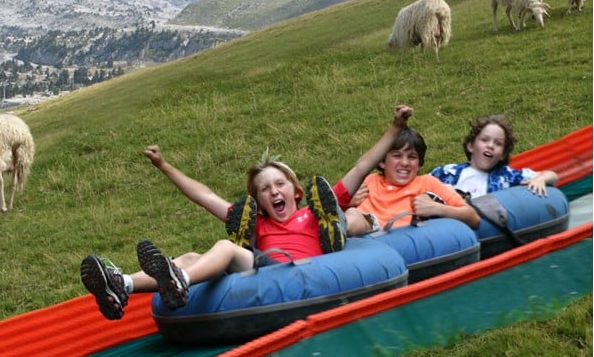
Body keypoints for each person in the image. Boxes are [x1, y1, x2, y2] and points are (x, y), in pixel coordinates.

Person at [80, 105, 413, 320]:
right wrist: (164, 166)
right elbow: (204, 196)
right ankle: (121, 284)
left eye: (279, 184)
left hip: (288, 268)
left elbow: (361, 166)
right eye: (264, 190)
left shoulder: (315, 214)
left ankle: (179, 282)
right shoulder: (257, 224)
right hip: (258, 268)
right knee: (188, 256)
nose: (273, 192)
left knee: (226, 248)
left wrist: (394, 129)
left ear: (296, 191)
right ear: (258, 202)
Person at [333, 119, 481, 236]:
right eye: (397, 156)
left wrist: (438, 208)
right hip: (363, 232)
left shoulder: (426, 184)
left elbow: (473, 218)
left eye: (412, 157)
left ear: (420, 164)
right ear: (382, 162)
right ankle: (337, 231)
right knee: (353, 216)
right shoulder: (369, 181)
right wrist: (348, 203)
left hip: (398, 240)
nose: (405, 163)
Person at [429, 114, 558, 198]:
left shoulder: (506, 176)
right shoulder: (448, 172)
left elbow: (552, 175)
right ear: (471, 146)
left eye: (498, 143)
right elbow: (418, 184)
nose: (490, 145)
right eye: (484, 140)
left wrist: (540, 179)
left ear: (502, 154)